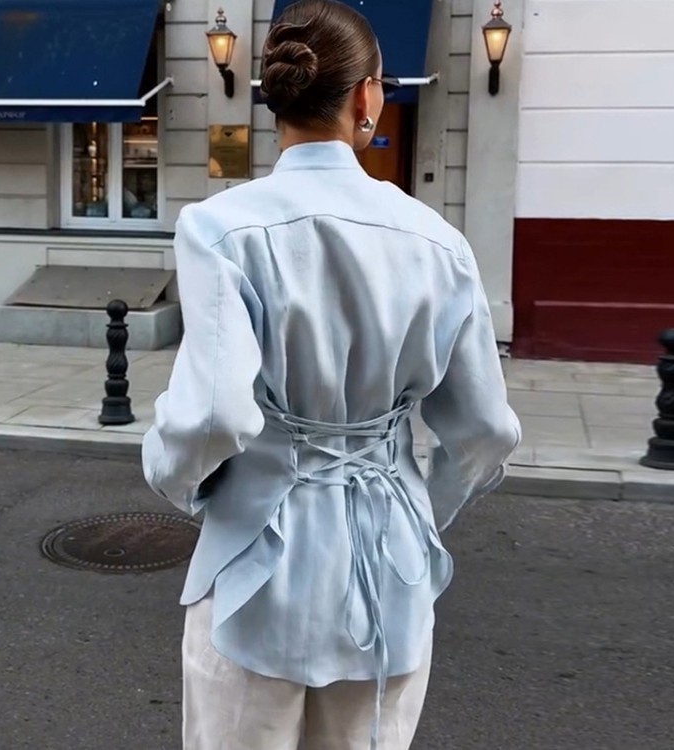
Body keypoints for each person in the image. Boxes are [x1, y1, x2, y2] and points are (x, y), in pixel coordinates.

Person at [142, 1, 521, 748]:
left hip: (255, 565)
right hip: (390, 571)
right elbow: (484, 431)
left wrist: (179, 483)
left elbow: (212, 417)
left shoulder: (221, 227)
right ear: (367, 95)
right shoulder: (438, 241)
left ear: (275, 96)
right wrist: (422, 507)